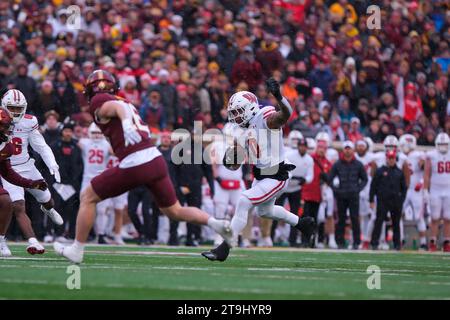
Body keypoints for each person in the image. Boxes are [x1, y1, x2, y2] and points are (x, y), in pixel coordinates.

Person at [54, 70, 231, 263]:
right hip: (155, 160)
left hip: (136, 161)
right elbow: (117, 111)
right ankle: (216, 223)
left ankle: (77, 249)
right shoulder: (126, 102)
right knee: (175, 211)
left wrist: (127, 125)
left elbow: (112, 108)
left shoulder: (101, 101)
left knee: (87, 196)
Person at [202, 78, 314, 262]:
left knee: (244, 201)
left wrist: (278, 96)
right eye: (234, 113)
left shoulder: (264, 117)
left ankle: (225, 247)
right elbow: (235, 164)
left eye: (238, 112)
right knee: (265, 212)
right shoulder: (240, 129)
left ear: (250, 108)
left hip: (277, 174)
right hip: (261, 175)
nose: (235, 117)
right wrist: (231, 158)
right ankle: (303, 224)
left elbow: (285, 114)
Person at [0, 89, 63, 255]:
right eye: (12, 108)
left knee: (47, 200)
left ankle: (47, 209)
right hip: (7, 168)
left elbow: (40, 146)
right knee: (17, 205)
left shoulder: (29, 122)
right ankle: (33, 241)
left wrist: (52, 163)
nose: (15, 112)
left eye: (18, 108)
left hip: (28, 166)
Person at [0, 108, 48, 257]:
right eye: (5, 126)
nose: (8, 130)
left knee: (6, 201)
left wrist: (31, 184)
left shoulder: (6, 146)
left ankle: (0, 240)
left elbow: (8, 173)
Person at [328, 141, 368, 249]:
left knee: (355, 218)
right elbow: (329, 179)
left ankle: (356, 242)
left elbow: (365, 179)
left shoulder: (358, 164)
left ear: (353, 150)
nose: (347, 150)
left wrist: (358, 189)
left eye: (349, 148)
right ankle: (340, 242)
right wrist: (336, 190)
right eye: (345, 148)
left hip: (353, 195)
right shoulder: (337, 164)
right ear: (343, 150)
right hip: (341, 195)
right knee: (341, 219)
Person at [275, 135, 314, 247]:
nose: (302, 148)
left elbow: (310, 175)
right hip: (285, 186)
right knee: (275, 210)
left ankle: (292, 240)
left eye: (304, 146)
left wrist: (304, 180)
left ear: (307, 147)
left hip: (296, 188)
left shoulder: (309, 159)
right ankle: (272, 236)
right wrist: (292, 176)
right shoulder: (290, 155)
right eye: (300, 146)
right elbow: (284, 167)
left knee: (295, 213)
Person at [78, 123, 113, 244]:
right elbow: (74, 141)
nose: (97, 136)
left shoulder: (106, 144)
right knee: (85, 207)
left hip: (101, 178)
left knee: (102, 209)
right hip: (87, 179)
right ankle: (88, 233)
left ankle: (101, 234)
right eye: (94, 133)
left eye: (99, 133)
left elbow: (116, 152)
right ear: (89, 133)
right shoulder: (84, 142)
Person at [50, 121, 83, 242]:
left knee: (72, 209)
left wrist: (75, 180)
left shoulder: (76, 147)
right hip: (58, 183)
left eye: (70, 131)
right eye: (66, 131)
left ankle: (71, 234)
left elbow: (80, 165)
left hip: (72, 184)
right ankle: (57, 232)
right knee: (57, 208)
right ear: (62, 132)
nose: (68, 133)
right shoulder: (55, 145)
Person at [370, 149, 407, 250]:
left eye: (393, 158)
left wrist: (401, 200)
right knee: (379, 221)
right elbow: (373, 186)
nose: (391, 160)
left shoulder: (399, 172)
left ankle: (397, 244)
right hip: (382, 200)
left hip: (395, 201)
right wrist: (371, 199)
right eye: (389, 158)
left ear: (395, 159)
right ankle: (374, 243)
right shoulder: (380, 171)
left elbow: (404, 188)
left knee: (396, 223)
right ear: (386, 159)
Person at [302, 132, 334, 248]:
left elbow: (331, 179)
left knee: (317, 219)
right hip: (307, 192)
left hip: (319, 195)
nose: (321, 150)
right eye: (320, 147)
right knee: (305, 217)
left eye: (324, 148)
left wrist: (327, 179)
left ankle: (314, 240)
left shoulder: (328, 163)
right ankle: (305, 240)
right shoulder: (310, 158)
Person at [399, 134, 428, 250]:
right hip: (404, 190)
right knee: (398, 215)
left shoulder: (418, 155)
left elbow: (425, 170)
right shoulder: (400, 156)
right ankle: (399, 239)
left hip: (416, 190)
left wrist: (421, 182)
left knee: (419, 217)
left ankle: (423, 242)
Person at [423, 133, 450, 252]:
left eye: (445, 144)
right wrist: (425, 190)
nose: (443, 146)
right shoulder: (431, 155)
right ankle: (432, 242)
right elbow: (427, 174)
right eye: (441, 144)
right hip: (435, 189)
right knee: (434, 218)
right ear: (436, 144)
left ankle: (447, 242)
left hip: (449, 189)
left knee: (448, 218)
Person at [355, 138, 377, 249]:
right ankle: (362, 239)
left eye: (362, 146)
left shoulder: (372, 157)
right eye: (359, 145)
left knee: (372, 215)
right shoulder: (354, 157)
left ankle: (370, 239)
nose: (360, 148)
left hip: (369, 189)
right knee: (360, 216)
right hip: (357, 188)